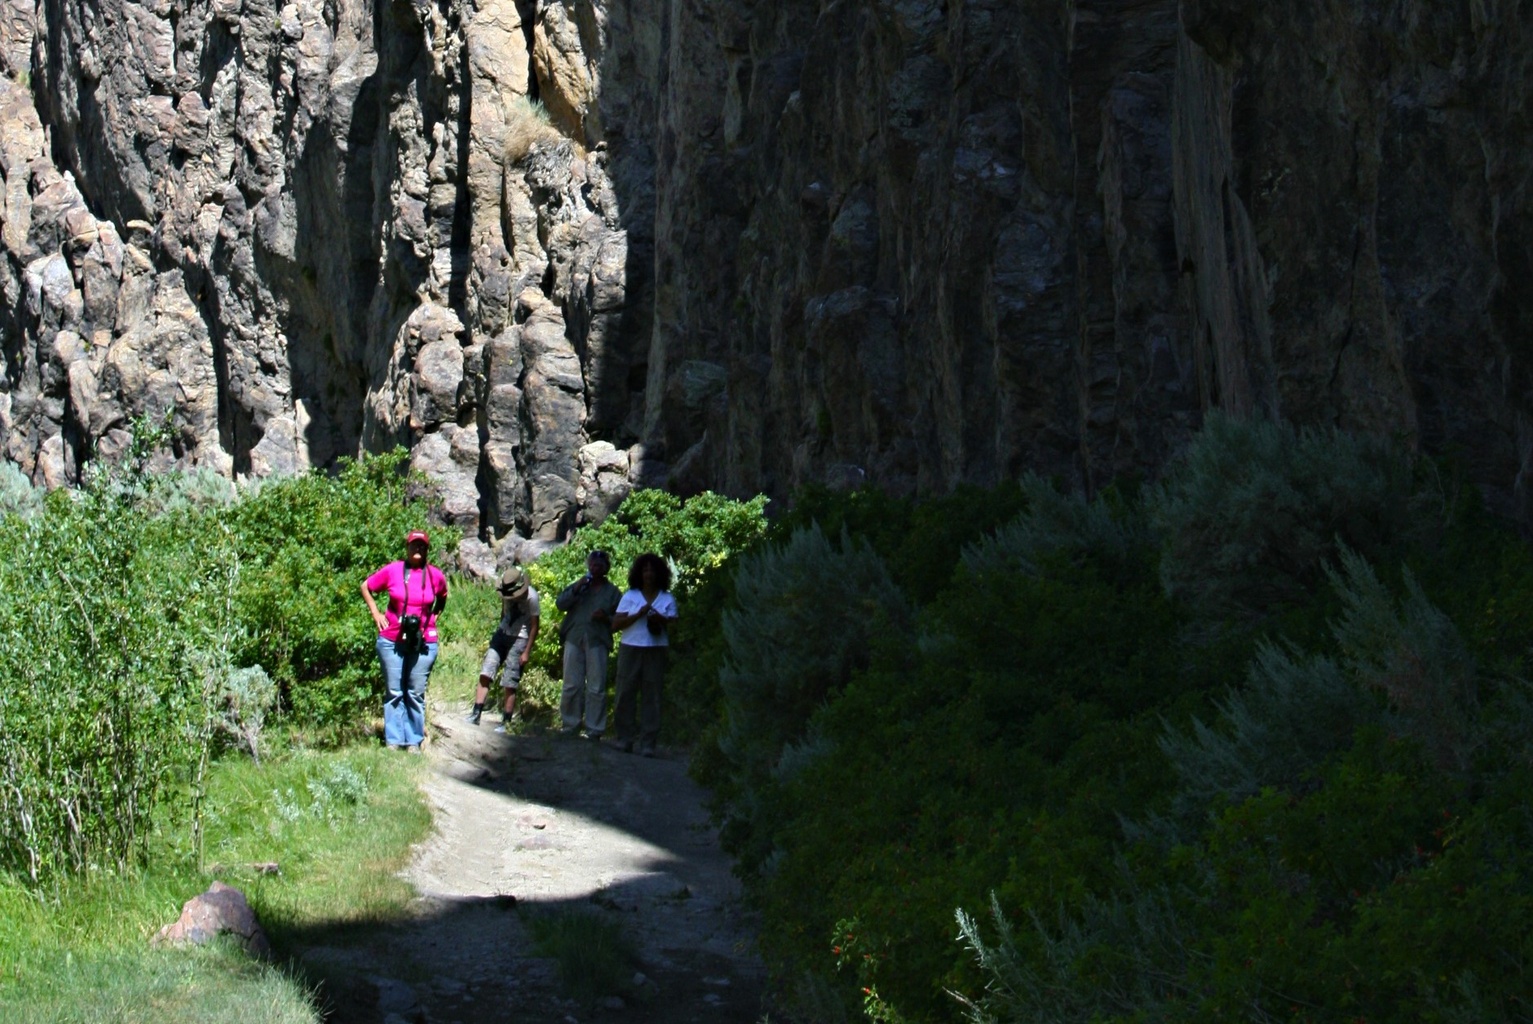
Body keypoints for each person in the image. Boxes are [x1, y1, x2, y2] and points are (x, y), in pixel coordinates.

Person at [361, 530, 449, 752]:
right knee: (394, 691)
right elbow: (366, 586)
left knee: (415, 691)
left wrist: (434, 617)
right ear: (407, 548)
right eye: (414, 545)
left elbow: (443, 596)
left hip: (423, 641)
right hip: (392, 638)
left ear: (427, 549)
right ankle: (394, 740)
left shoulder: (434, 575)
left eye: (422, 546)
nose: (417, 549)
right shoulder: (393, 571)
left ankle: (413, 741)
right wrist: (376, 615)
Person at [610, 552, 678, 756]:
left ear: (660, 573)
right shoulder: (630, 596)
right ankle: (625, 738)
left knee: (653, 695)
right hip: (631, 646)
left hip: (656, 648)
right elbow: (615, 624)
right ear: (639, 573)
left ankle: (648, 742)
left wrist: (659, 618)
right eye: (645, 569)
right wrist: (638, 615)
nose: (648, 574)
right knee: (625, 692)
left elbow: (675, 624)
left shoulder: (667, 598)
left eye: (652, 570)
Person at [554, 549, 622, 739]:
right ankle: (570, 724)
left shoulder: (613, 592)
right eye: (592, 564)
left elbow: (622, 619)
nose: (595, 568)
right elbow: (560, 604)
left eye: (600, 565)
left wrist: (606, 618)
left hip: (598, 640)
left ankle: (594, 729)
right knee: (571, 684)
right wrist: (576, 588)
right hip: (574, 638)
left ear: (606, 568)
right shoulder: (579, 586)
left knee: (596, 687)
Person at [465, 566, 540, 733]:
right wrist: (500, 629)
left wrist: (527, 651)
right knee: (487, 670)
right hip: (502, 633)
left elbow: (535, 626)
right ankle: (476, 712)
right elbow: (503, 611)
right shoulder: (504, 591)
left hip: (520, 637)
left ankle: (506, 721)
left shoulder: (532, 597)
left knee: (510, 679)